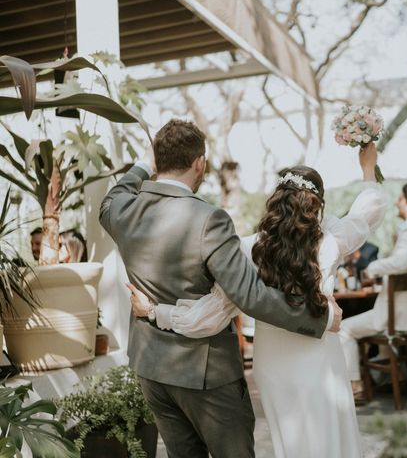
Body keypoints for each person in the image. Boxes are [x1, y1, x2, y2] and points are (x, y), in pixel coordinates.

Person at [99, 119, 343, 458]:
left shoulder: (123, 209)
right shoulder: (208, 219)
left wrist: (143, 165)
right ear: (199, 162)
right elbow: (250, 295)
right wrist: (320, 317)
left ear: (158, 160)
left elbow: (112, 197)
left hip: (151, 369)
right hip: (207, 374)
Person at [339, 183, 407, 403]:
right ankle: (396, 376)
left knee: (344, 328)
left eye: (400, 199)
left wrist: (372, 269)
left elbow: (401, 262)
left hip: (401, 316)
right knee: (371, 323)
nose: (396, 202)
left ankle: (356, 386)